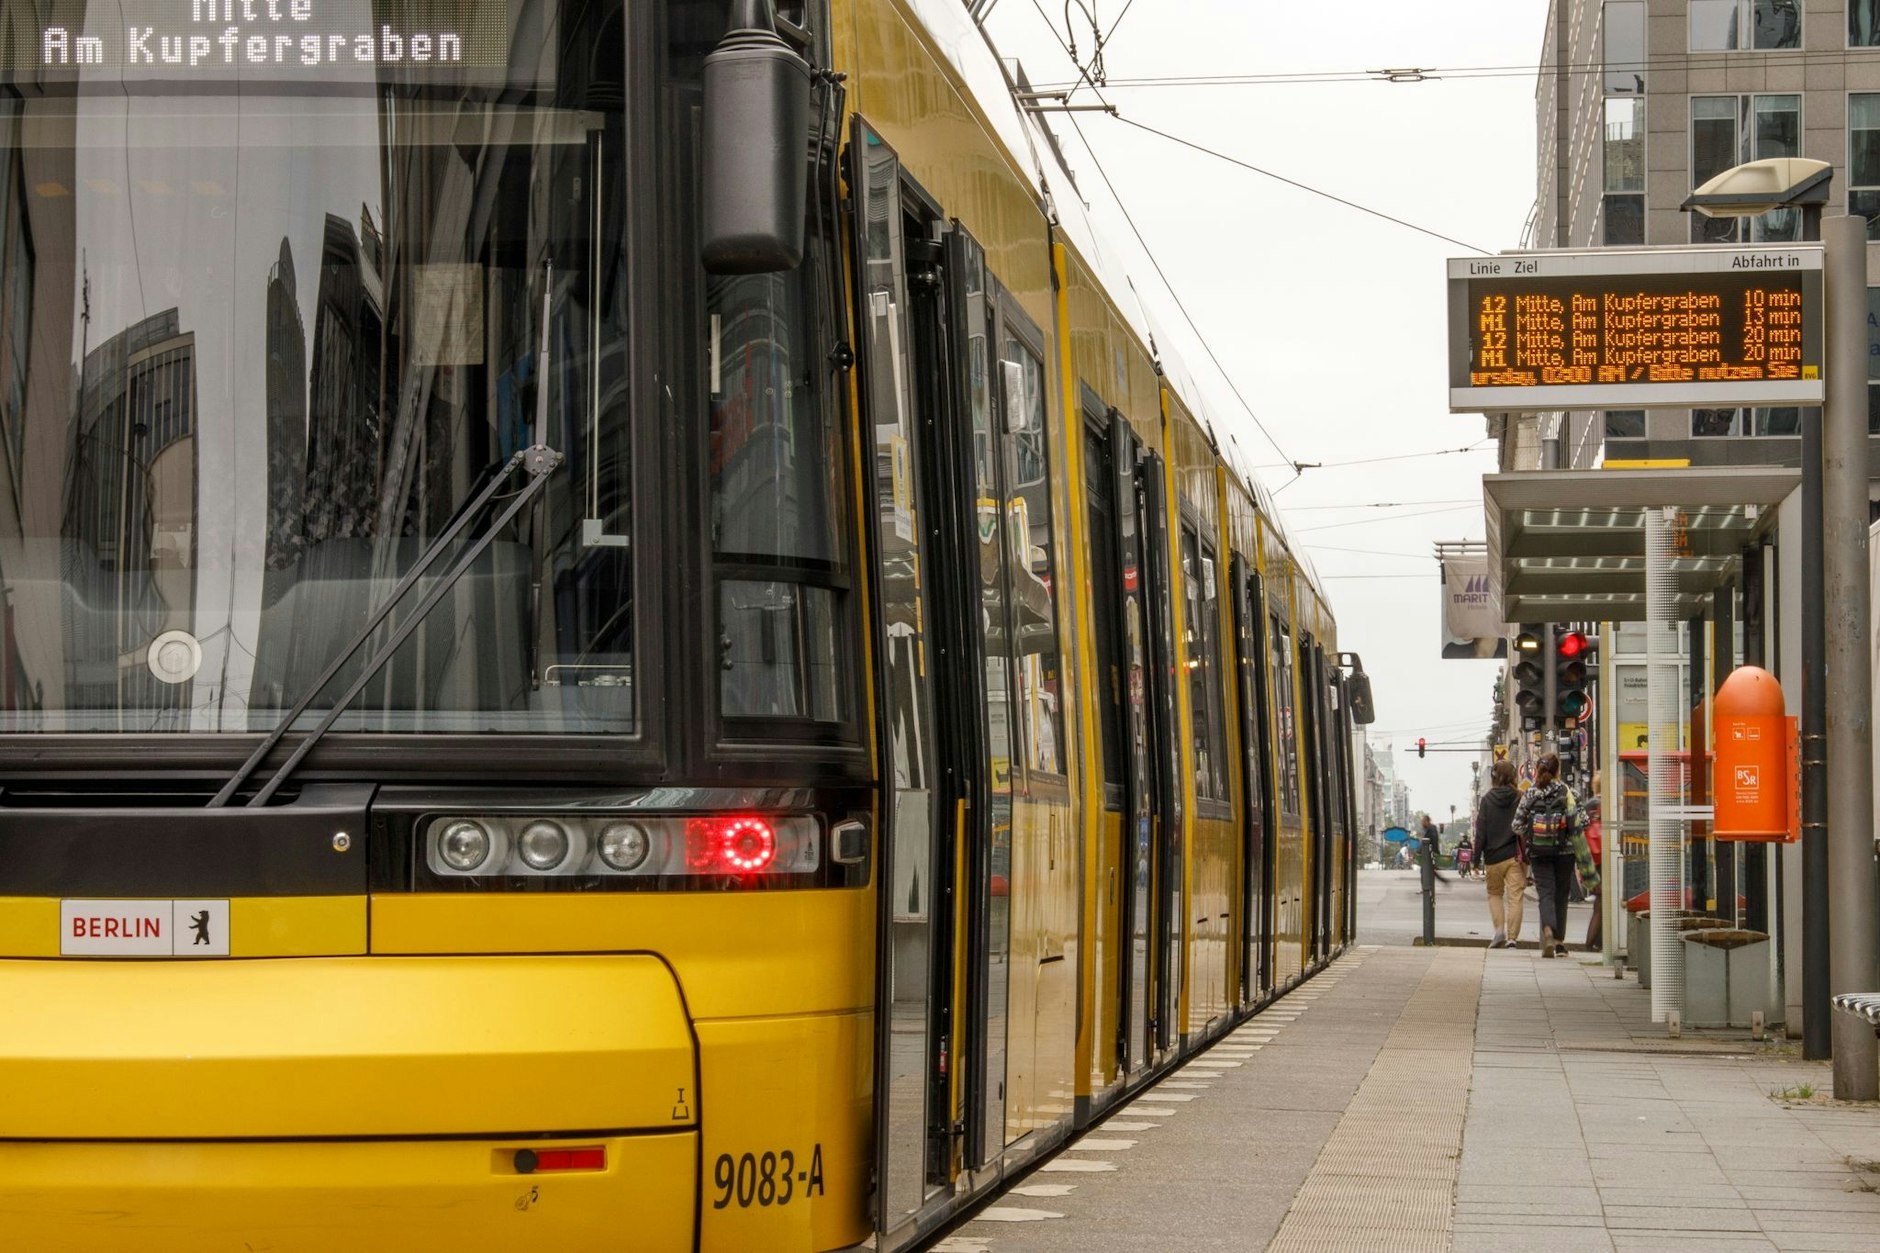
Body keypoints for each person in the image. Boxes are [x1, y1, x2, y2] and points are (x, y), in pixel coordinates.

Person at [1511, 752, 1599, 958]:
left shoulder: (1530, 794)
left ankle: (1548, 930)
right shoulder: (1569, 792)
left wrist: (1533, 834)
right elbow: (1584, 821)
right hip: (1565, 852)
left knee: (1546, 894)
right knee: (1561, 894)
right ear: (1558, 770)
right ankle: (1559, 942)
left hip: (1539, 853)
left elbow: (1516, 825)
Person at [1473, 759, 1525, 949]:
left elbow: (1481, 832)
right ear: (1513, 776)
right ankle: (1512, 938)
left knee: (1494, 894)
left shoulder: (1486, 800)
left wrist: (1475, 860)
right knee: (1515, 896)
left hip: (1493, 857)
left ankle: (1499, 931)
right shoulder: (1519, 797)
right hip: (1514, 856)